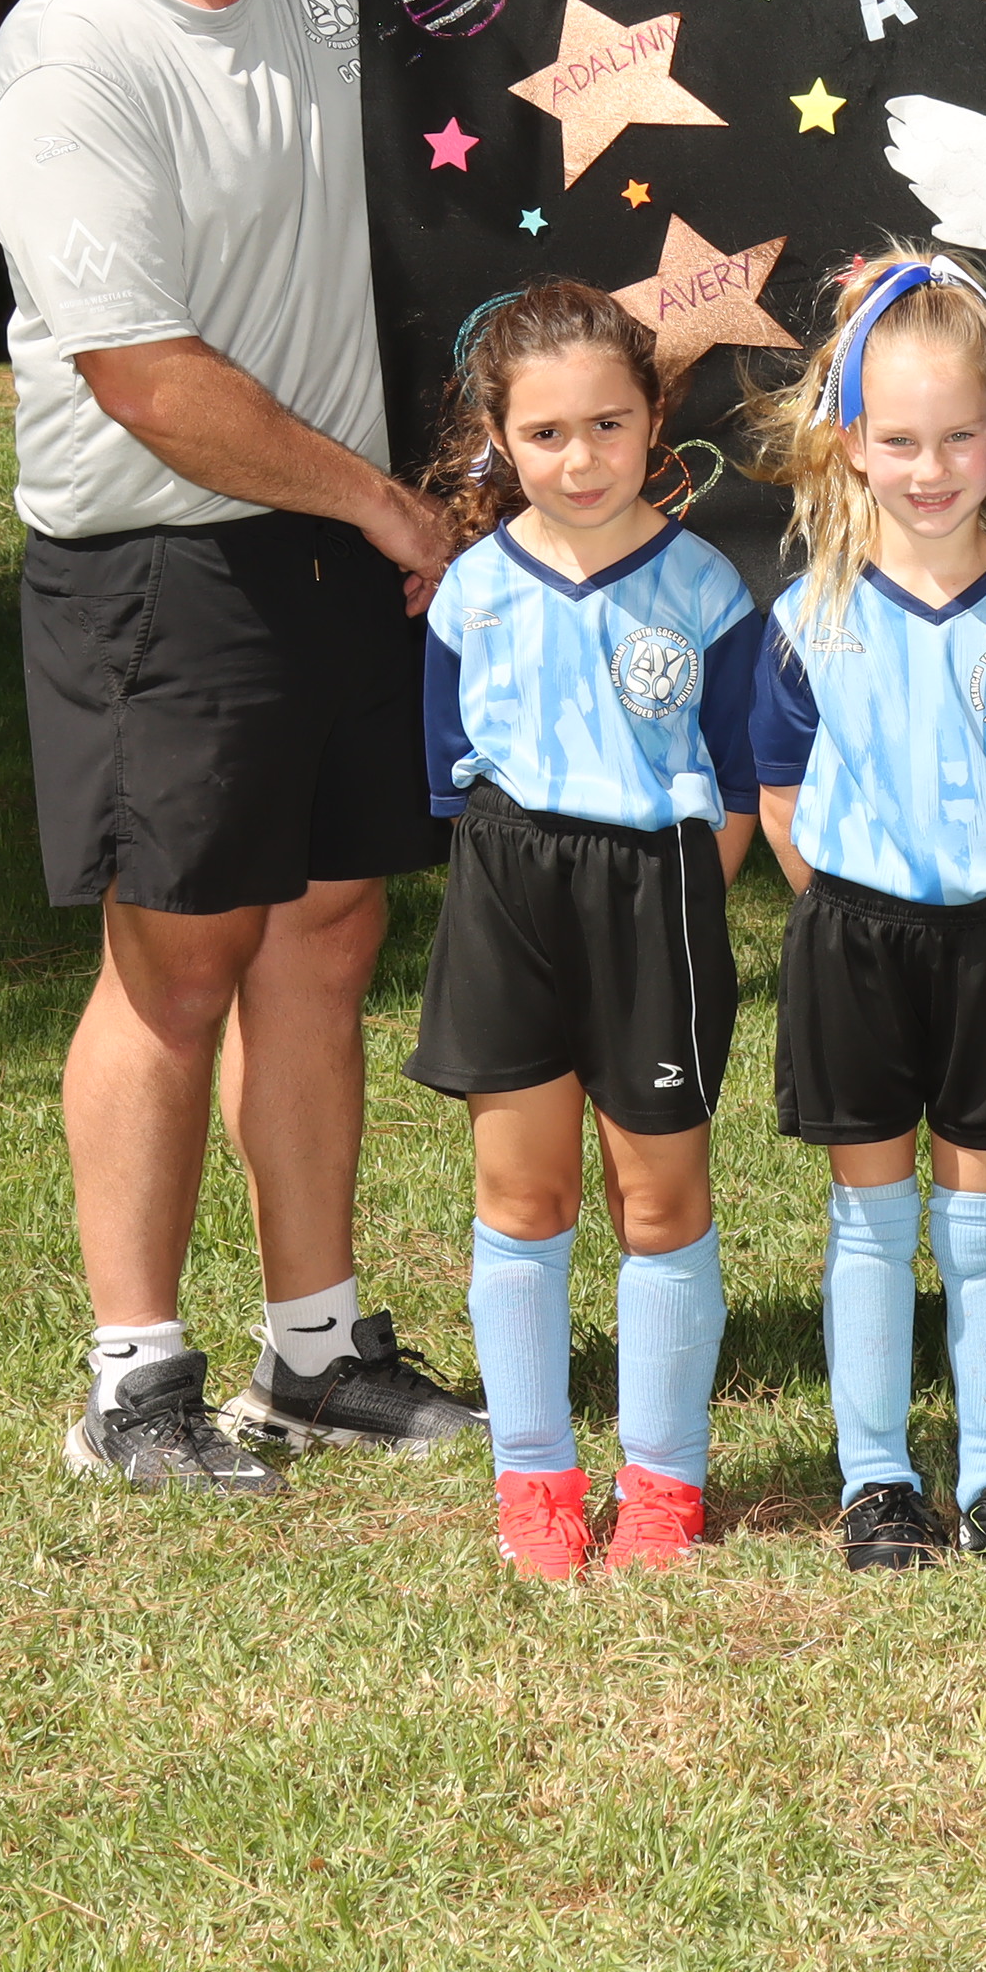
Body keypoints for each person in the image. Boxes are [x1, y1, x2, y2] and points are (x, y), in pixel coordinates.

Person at [0, 0, 482, 1492]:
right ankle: (133, 1385)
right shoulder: (72, 59)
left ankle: (314, 1350)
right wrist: (387, 509)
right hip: (162, 563)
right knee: (176, 965)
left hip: (333, 541)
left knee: (326, 937)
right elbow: (149, 380)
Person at [742, 247, 986, 1573]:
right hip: (854, 938)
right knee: (873, 1222)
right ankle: (878, 1483)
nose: (933, 466)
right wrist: (864, 909)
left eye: (960, 435)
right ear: (850, 440)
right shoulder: (810, 616)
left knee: (985, 1227)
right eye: (899, 439)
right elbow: (780, 800)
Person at [405, 279, 762, 1579]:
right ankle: (535, 1479)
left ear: (655, 416)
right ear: (500, 439)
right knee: (523, 1192)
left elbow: (737, 782)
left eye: (608, 424)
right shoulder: (468, 594)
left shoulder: (708, 589)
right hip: (509, 893)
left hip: (654, 891)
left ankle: (663, 1481)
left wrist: (678, 905)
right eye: (545, 432)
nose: (580, 457)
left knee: (657, 1198)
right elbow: (452, 773)